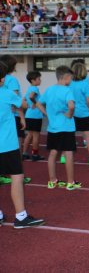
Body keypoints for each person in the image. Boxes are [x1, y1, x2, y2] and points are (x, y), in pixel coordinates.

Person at [0, 62, 45, 229]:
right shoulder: (6, 93)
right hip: (7, 145)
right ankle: (21, 216)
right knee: (17, 178)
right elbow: (24, 104)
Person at [37, 66, 81, 191]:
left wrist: (46, 114)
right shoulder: (67, 90)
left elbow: (38, 103)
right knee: (68, 153)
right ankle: (70, 182)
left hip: (53, 127)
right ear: (66, 77)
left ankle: (52, 180)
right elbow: (71, 106)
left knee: (52, 153)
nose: (71, 80)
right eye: (71, 78)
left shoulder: (49, 89)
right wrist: (69, 114)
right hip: (66, 127)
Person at [0, 55, 25, 160]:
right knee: (16, 144)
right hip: (13, 116)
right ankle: (16, 172)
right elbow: (15, 101)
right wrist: (22, 117)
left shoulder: (5, 79)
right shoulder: (12, 80)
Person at [22, 71, 44, 161]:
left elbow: (24, 99)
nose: (40, 80)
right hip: (36, 115)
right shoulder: (34, 88)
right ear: (33, 80)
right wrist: (35, 103)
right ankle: (35, 155)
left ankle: (24, 153)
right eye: (38, 79)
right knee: (36, 136)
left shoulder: (29, 88)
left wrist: (29, 104)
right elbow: (31, 97)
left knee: (29, 135)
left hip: (29, 114)